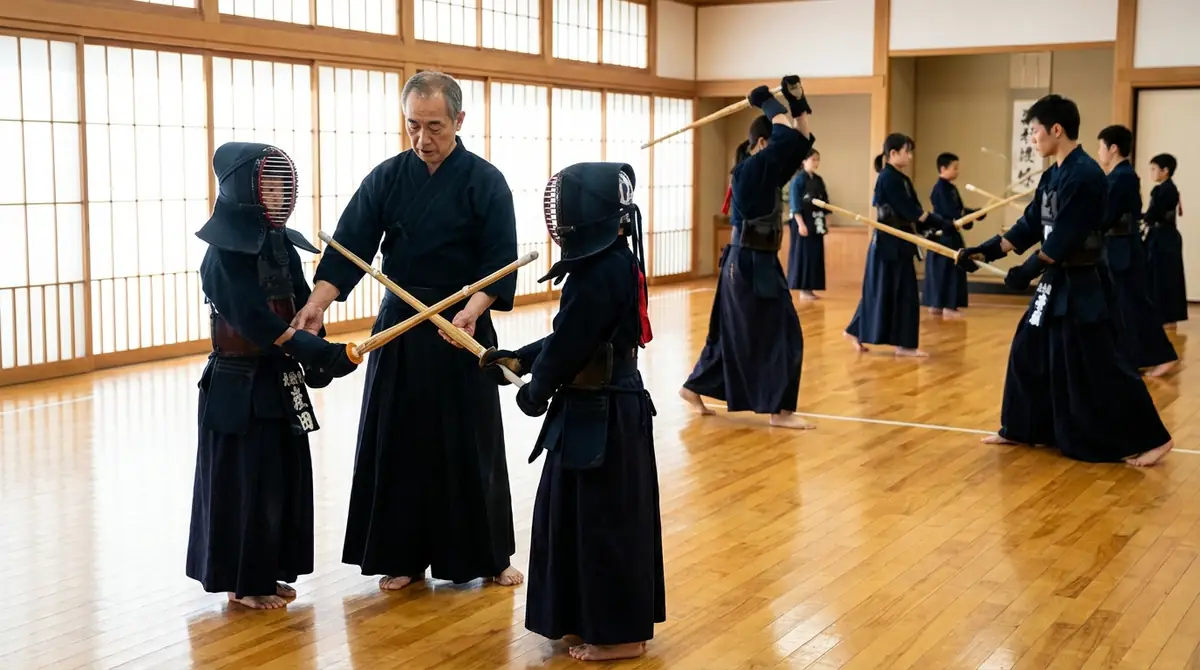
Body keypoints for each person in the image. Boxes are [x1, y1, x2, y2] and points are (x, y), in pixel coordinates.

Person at [291, 71, 524, 590]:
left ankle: (488, 555)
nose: (423, 139)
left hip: (462, 326)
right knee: (399, 440)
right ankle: (402, 556)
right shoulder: (388, 178)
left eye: (435, 126)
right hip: (400, 325)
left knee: (470, 443)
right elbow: (349, 247)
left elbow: (501, 264)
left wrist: (472, 310)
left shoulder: (485, 182)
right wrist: (315, 305)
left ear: (460, 120)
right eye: (413, 126)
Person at [481, 162, 665, 664]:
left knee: (604, 525)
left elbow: (575, 342)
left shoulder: (603, 268)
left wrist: (534, 388)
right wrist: (520, 358)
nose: (556, 217)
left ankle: (620, 634)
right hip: (594, 406)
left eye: (563, 207)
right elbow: (569, 333)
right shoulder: (607, 260)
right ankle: (592, 619)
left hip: (605, 411)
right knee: (581, 520)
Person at [958, 94, 1173, 467]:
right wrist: (987, 250)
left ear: (1056, 130)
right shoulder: (1053, 174)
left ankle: (1154, 439)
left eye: (1035, 131)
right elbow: (1030, 224)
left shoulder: (1086, 175)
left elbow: (1066, 235)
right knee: (1028, 349)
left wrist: (1027, 270)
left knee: (1102, 360)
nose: (1032, 139)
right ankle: (1022, 428)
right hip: (1056, 279)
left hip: (1083, 281)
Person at [186, 142, 358, 609]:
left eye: (284, 185)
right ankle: (244, 582)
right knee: (246, 485)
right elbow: (256, 322)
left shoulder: (281, 244)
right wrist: (313, 349)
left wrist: (319, 344)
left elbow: (301, 306)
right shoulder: (221, 255)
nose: (279, 194)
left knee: (281, 480)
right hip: (238, 384)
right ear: (244, 189)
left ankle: (269, 572)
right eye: (269, 185)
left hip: (279, 380)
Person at [679, 76, 815, 429]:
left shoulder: (767, 168)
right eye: (773, 143)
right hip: (748, 263)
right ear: (762, 143)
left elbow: (798, 141)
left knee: (735, 332)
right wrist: (765, 103)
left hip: (757, 261)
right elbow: (787, 139)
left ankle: (694, 387)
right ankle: (779, 410)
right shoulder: (752, 170)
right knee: (780, 332)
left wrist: (796, 102)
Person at [844, 134, 958, 357]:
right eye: (907, 151)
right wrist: (942, 222)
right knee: (886, 291)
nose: (910, 156)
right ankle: (902, 344)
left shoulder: (901, 179)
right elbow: (911, 212)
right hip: (888, 245)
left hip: (901, 242)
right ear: (893, 153)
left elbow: (915, 211)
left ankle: (858, 331)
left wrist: (935, 227)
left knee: (889, 291)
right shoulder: (888, 178)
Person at [1095, 126, 1178, 376]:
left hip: (1124, 250)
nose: (1099, 152)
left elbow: (1106, 215)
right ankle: (1127, 357)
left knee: (1135, 304)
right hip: (1117, 247)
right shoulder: (1117, 175)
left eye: (1101, 146)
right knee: (1121, 306)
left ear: (1113, 148)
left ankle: (1164, 356)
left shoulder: (1123, 176)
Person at [922, 152, 982, 318]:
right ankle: (945, 306)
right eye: (954, 168)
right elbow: (952, 213)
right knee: (944, 271)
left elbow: (959, 212)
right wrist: (970, 214)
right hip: (943, 235)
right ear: (943, 168)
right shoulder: (939, 189)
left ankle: (943, 305)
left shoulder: (951, 188)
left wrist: (974, 214)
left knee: (949, 270)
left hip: (951, 234)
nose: (957, 171)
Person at [1144, 153, 1188, 327]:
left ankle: (1166, 317)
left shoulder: (1165, 190)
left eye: (1154, 169)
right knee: (1162, 276)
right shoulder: (1166, 188)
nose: (1152, 173)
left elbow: (1153, 214)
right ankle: (1165, 316)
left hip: (1164, 238)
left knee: (1164, 277)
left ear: (1165, 171)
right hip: (1163, 236)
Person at [787, 148, 829, 300]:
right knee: (803, 255)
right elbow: (795, 204)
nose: (816, 163)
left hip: (816, 222)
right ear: (804, 161)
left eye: (818, 160)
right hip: (802, 222)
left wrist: (825, 223)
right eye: (813, 159)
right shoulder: (798, 180)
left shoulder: (818, 180)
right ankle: (803, 289)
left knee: (815, 255)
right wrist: (801, 224)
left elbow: (825, 203)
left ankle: (811, 288)